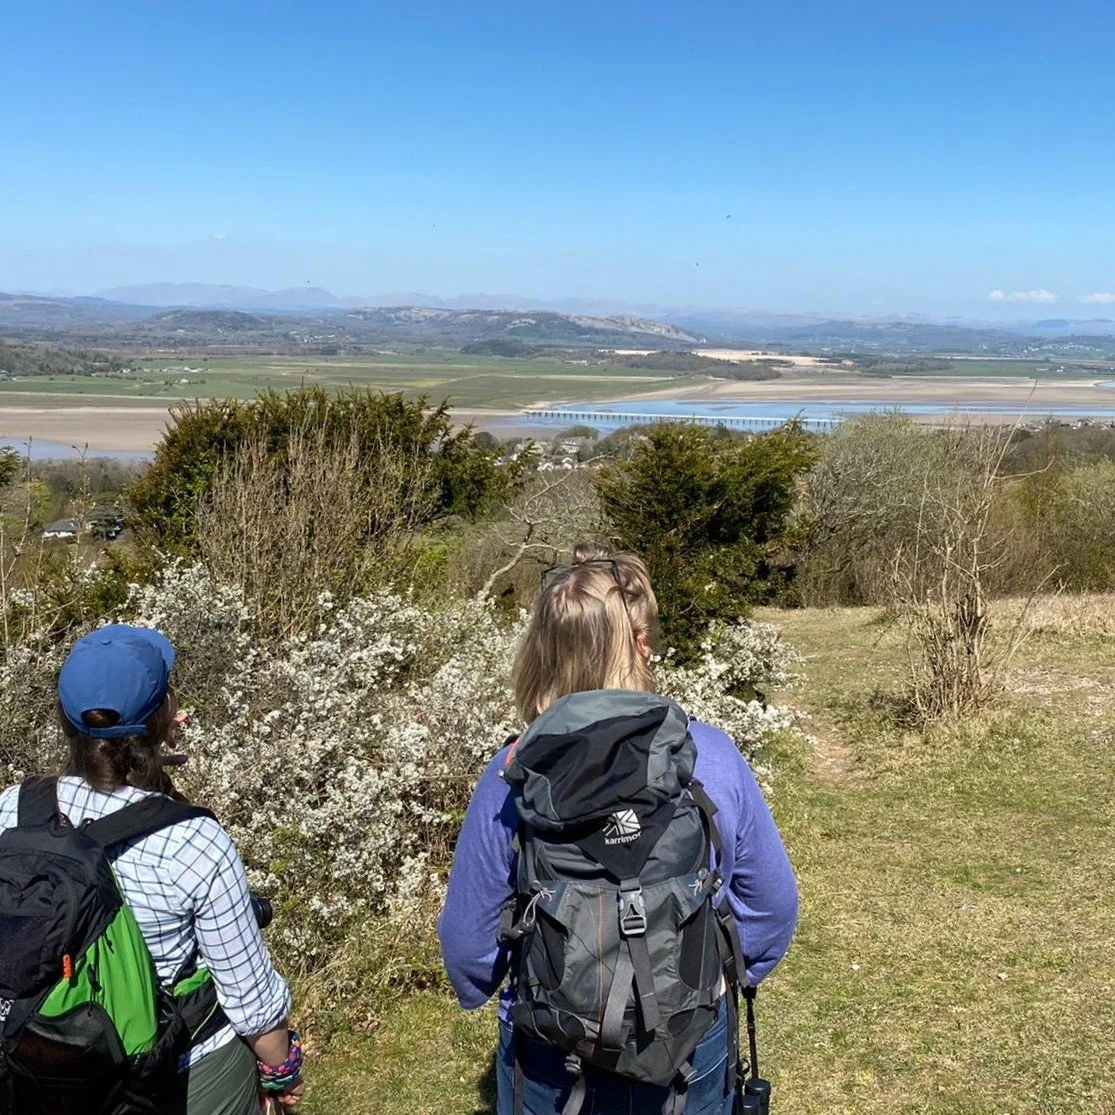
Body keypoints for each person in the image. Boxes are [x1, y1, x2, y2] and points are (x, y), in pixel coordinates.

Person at [439, 547, 799, 1115]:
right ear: (642, 643)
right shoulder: (709, 756)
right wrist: (709, 980)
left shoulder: (511, 775)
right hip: (689, 1044)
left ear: (543, 651)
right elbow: (771, 911)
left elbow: (469, 951)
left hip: (552, 1054)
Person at [0, 624, 304, 1115]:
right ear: (161, 718)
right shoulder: (192, 841)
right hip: (179, 1070)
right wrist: (281, 1070)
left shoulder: (14, 808)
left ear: (66, 719)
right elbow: (249, 1000)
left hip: (47, 1062)